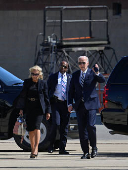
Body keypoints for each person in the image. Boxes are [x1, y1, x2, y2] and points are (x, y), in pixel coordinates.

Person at [68, 56, 105, 159]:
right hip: (80, 105)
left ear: (88, 63)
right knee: (81, 129)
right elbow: (71, 91)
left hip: (91, 104)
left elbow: (102, 80)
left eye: (83, 63)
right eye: (80, 63)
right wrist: (70, 104)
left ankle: (94, 147)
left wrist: (97, 72)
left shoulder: (92, 72)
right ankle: (85, 152)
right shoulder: (75, 75)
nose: (81, 65)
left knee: (90, 126)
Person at [16, 65, 51, 158]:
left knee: (37, 127)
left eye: (36, 74)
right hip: (29, 107)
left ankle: (36, 148)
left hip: (39, 108)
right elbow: (23, 96)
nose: (34, 76)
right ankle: (32, 148)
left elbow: (46, 98)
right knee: (30, 129)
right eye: (33, 74)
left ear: (39, 74)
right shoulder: (27, 82)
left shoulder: (43, 83)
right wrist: (21, 109)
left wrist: (48, 111)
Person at [47, 61, 72, 154]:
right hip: (56, 103)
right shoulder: (53, 77)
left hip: (65, 104)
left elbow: (72, 91)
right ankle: (51, 145)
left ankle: (62, 148)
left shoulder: (70, 77)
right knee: (56, 124)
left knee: (64, 127)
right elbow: (48, 90)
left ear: (67, 68)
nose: (63, 68)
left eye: (65, 67)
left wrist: (71, 104)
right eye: (61, 66)